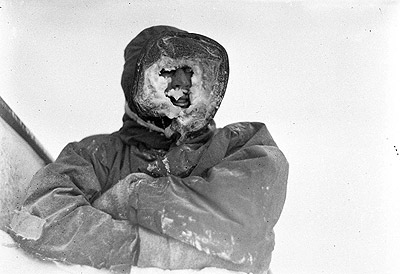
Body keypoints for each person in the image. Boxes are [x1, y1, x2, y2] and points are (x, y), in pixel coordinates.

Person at [9, 25, 289, 274]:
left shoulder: (240, 145)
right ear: (136, 83)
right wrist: (149, 248)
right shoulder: (95, 155)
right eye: (166, 72)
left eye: (189, 72)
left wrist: (127, 198)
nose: (181, 83)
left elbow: (245, 220)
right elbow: (40, 221)